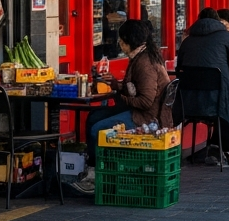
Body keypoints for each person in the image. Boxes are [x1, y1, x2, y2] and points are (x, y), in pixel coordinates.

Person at [70, 20, 173, 195]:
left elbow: (145, 101)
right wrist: (117, 86)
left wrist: (122, 97)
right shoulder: (141, 56)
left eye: (121, 40)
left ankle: (96, 179)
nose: (119, 43)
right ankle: (92, 170)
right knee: (93, 117)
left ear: (128, 41)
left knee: (97, 129)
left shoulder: (144, 63)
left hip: (147, 118)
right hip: (142, 111)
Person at [176, 7, 229, 166]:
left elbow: (179, 68)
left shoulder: (187, 41)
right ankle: (227, 149)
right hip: (218, 101)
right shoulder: (226, 37)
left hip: (189, 102)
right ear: (217, 21)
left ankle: (211, 147)